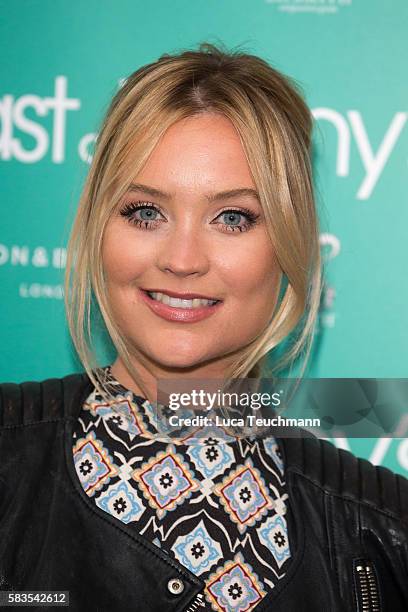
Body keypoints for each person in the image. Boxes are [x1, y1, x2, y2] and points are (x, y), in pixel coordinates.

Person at [0, 42, 407, 612]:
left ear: (288, 244)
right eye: (145, 212)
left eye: (233, 217)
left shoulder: (381, 526)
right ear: (99, 228)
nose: (183, 258)